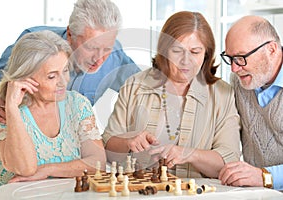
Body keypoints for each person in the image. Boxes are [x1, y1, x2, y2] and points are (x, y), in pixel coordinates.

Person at [0, 0, 140, 148]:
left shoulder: (116, 57)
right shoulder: (34, 43)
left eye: (107, 49)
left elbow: (146, 87)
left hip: (63, 154)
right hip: (9, 147)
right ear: (70, 34)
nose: (99, 58)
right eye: (91, 47)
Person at [102, 11, 240, 178]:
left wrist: (189, 154)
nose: (185, 60)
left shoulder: (222, 94)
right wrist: (128, 143)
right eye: (177, 51)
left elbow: (230, 161)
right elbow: (107, 148)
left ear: (206, 54)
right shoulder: (135, 85)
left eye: (195, 52)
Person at [0, 30, 106, 198]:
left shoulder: (77, 104)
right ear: (25, 77)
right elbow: (24, 169)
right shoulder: (1, 110)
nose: (63, 82)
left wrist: (47, 170)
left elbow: (97, 163)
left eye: (64, 71)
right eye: (51, 76)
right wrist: (12, 107)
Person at [219, 15, 283, 190]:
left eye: (241, 57)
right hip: (256, 193)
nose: (234, 68)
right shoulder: (238, 81)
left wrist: (265, 176)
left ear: (271, 49)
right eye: (230, 58)